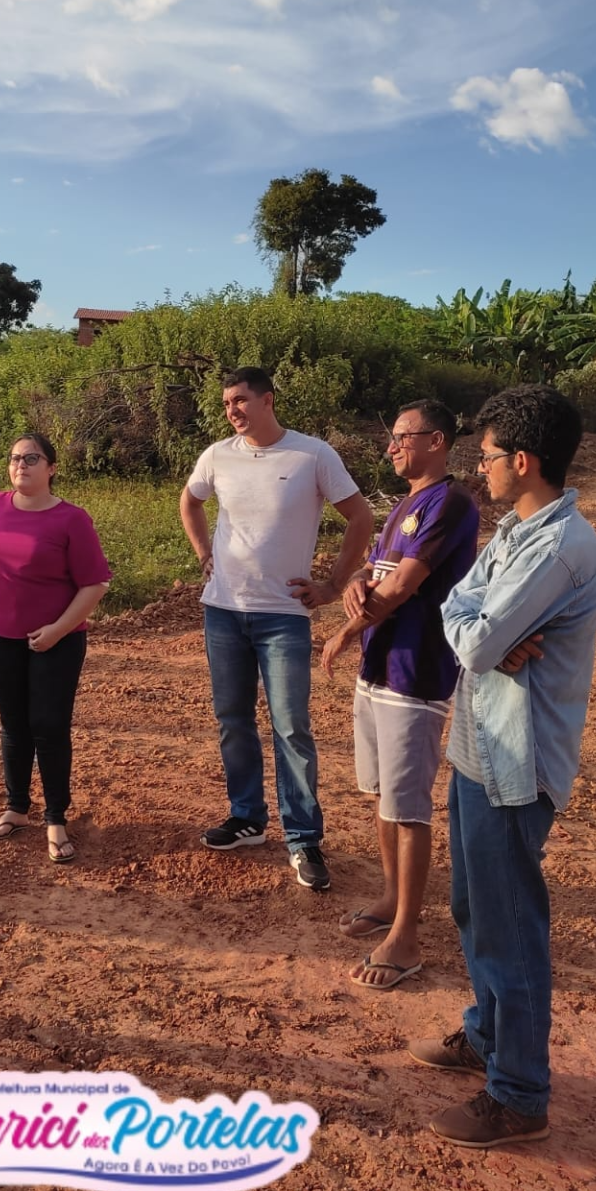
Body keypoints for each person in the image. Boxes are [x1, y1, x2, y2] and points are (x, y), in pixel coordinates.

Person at [409, 385, 596, 1148]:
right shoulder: (518, 531)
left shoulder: (559, 547)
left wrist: (484, 632)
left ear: (522, 461)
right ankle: (487, 1036)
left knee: (509, 925)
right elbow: (460, 609)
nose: (479, 468)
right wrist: (483, 628)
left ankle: (520, 1092)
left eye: (487, 456)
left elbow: (478, 642)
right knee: (474, 910)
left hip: (516, 765)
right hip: (480, 745)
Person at [180, 367, 374, 890]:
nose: (233, 411)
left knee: (291, 726)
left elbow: (361, 517)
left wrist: (333, 584)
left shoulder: (312, 454)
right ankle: (246, 818)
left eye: (241, 400)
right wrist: (203, 552)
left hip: (282, 615)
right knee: (233, 719)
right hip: (223, 609)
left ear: (267, 400)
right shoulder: (217, 455)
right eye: (226, 404)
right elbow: (190, 500)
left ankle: (304, 838)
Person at [320, 400, 479, 989]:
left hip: (418, 671)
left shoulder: (450, 502)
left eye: (401, 438)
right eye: (392, 438)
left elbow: (406, 585)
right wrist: (355, 586)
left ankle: (407, 937)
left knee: (409, 807)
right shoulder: (406, 505)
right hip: (381, 665)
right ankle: (391, 899)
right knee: (385, 794)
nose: (391, 448)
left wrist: (344, 628)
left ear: (436, 440)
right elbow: (375, 573)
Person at [0, 433, 111, 865]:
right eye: (15, 458)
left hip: (56, 641)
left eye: (32, 458)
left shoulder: (71, 520)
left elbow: (95, 583)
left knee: (49, 725)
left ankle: (56, 817)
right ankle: (17, 808)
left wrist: (59, 629)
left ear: (52, 468)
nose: (21, 464)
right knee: (13, 724)